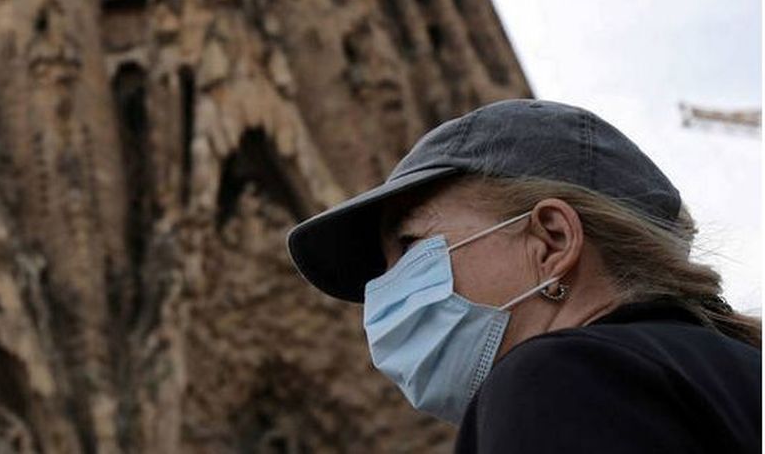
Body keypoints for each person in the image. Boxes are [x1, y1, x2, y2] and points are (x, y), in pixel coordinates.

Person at [287, 98, 760, 452]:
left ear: (552, 241)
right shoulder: (731, 374)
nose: (383, 291)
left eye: (411, 246)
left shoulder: (558, 382)